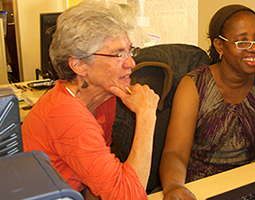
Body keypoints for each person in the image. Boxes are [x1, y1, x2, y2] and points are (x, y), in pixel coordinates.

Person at [21, 1, 159, 199]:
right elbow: (130, 197)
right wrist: (146, 114)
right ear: (79, 65)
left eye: (130, 51)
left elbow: (93, 180)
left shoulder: (104, 97)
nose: (131, 63)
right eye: (118, 54)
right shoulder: (66, 114)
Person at [159, 4, 255, 200]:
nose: (254, 48)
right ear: (219, 46)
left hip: (249, 186)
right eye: (242, 42)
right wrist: (173, 186)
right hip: (200, 188)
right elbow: (176, 152)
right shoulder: (194, 85)